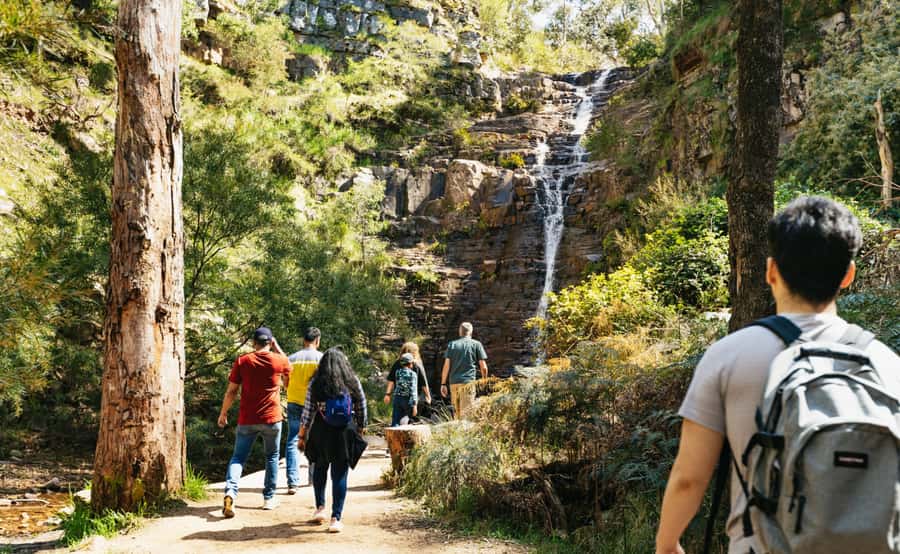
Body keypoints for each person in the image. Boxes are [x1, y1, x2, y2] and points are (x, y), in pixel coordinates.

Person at [655, 196, 900, 554]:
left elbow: (689, 478)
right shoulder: (886, 363)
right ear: (848, 275)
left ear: (771, 271)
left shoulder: (730, 355)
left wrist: (667, 544)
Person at [218, 327, 291, 518]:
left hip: (247, 419)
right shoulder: (279, 360)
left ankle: (230, 494)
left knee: (238, 458)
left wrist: (223, 413)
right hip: (272, 419)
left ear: (253, 342)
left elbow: (232, 391)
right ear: (271, 342)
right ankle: (269, 499)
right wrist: (278, 348)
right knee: (272, 457)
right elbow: (288, 380)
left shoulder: (243, 360)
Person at [297, 347, 368, 533]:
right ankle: (336, 518)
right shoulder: (351, 381)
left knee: (319, 468)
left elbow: (308, 412)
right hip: (344, 432)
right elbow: (361, 403)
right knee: (340, 474)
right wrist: (360, 427)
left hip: (321, 431)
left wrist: (302, 435)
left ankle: (320, 508)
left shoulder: (316, 383)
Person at [285, 327, 323, 494]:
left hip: (293, 401)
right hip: (314, 404)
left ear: (304, 340)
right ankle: (313, 478)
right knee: (314, 439)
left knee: (293, 439)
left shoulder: (291, 358)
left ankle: (292, 482)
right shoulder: (322, 359)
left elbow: (285, 381)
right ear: (317, 340)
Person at [440, 322, 488, 420]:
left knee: (456, 415)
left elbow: (446, 366)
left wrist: (443, 384)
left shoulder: (452, 345)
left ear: (460, 332)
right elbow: (484, 367)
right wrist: (484, 380)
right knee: (467, 415)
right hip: (468, 383)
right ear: (471, 332)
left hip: (454, 383)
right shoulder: (476, 344)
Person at [383, 342, 432, 424]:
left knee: (396, 419)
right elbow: (424, 382)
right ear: (415, 352)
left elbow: (391, 380)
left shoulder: (397, 363)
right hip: (412, 398)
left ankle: (395, 430)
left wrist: (387, 394)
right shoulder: (417, 364)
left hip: (398, 396)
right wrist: (428, 396)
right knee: (412, 420)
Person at [386, 353, 418, 426]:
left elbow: (397, 384)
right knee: (406, 419)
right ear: (410, 364)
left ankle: (394, 430)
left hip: (397, 398)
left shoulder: (397, 372)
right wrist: (415, 405)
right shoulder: (413, 374)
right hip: (408, 399)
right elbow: (413, 390)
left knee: (396, 419)